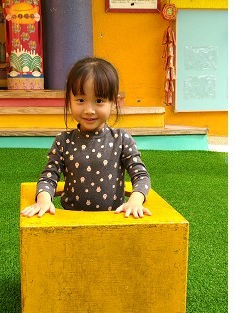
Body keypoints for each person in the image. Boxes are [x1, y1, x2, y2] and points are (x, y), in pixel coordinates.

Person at [20, 57, 152, 219]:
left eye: (99, 100)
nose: (89, 110)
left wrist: (135, 201)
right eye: (80, 100)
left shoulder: (122, 139)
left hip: (113, 221)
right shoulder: (63, 141)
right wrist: (43, 200)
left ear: (114, 102)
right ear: (69, 101)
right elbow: (48, 177)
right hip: (72, 222)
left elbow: (141, 176)